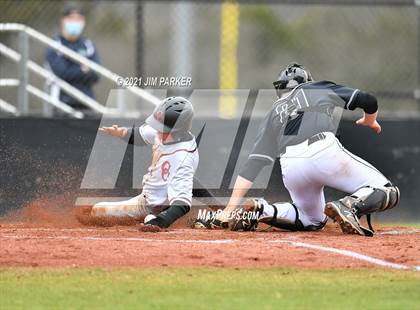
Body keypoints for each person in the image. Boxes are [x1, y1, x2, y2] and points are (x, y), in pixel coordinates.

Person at [196, 63, 399, 237]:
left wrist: (230, 208)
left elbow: (254, 163)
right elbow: (368, 100)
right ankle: (350, 205)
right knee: (387, 189)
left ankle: (262, 209)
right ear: (305, 80)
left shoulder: (273, 112)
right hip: (322, 150)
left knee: (312, 220)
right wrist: (370, 120)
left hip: (290, 165)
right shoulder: (315, 88)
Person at [90, 97, 199, 232]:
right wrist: (122, 132)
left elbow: (182, 204)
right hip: (150, 198)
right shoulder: (167, 133)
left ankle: (153, 215)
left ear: (178, 130)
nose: (157, 131)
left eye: (162, 128)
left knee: (97, 211)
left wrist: (160, 221)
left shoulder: (182, 156)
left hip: (150, 205)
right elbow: (140, 136)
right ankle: (151, 216)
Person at [45, 3, 100, 112]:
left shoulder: (88, 45)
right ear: (63, 20)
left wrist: (71, 67)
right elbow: (62, 73)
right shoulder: (55, 44)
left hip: (86, 103)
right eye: (71, 18)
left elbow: (96, 75)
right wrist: (83, 69)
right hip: (61, 104)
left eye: (79, 19)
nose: (75, 22)